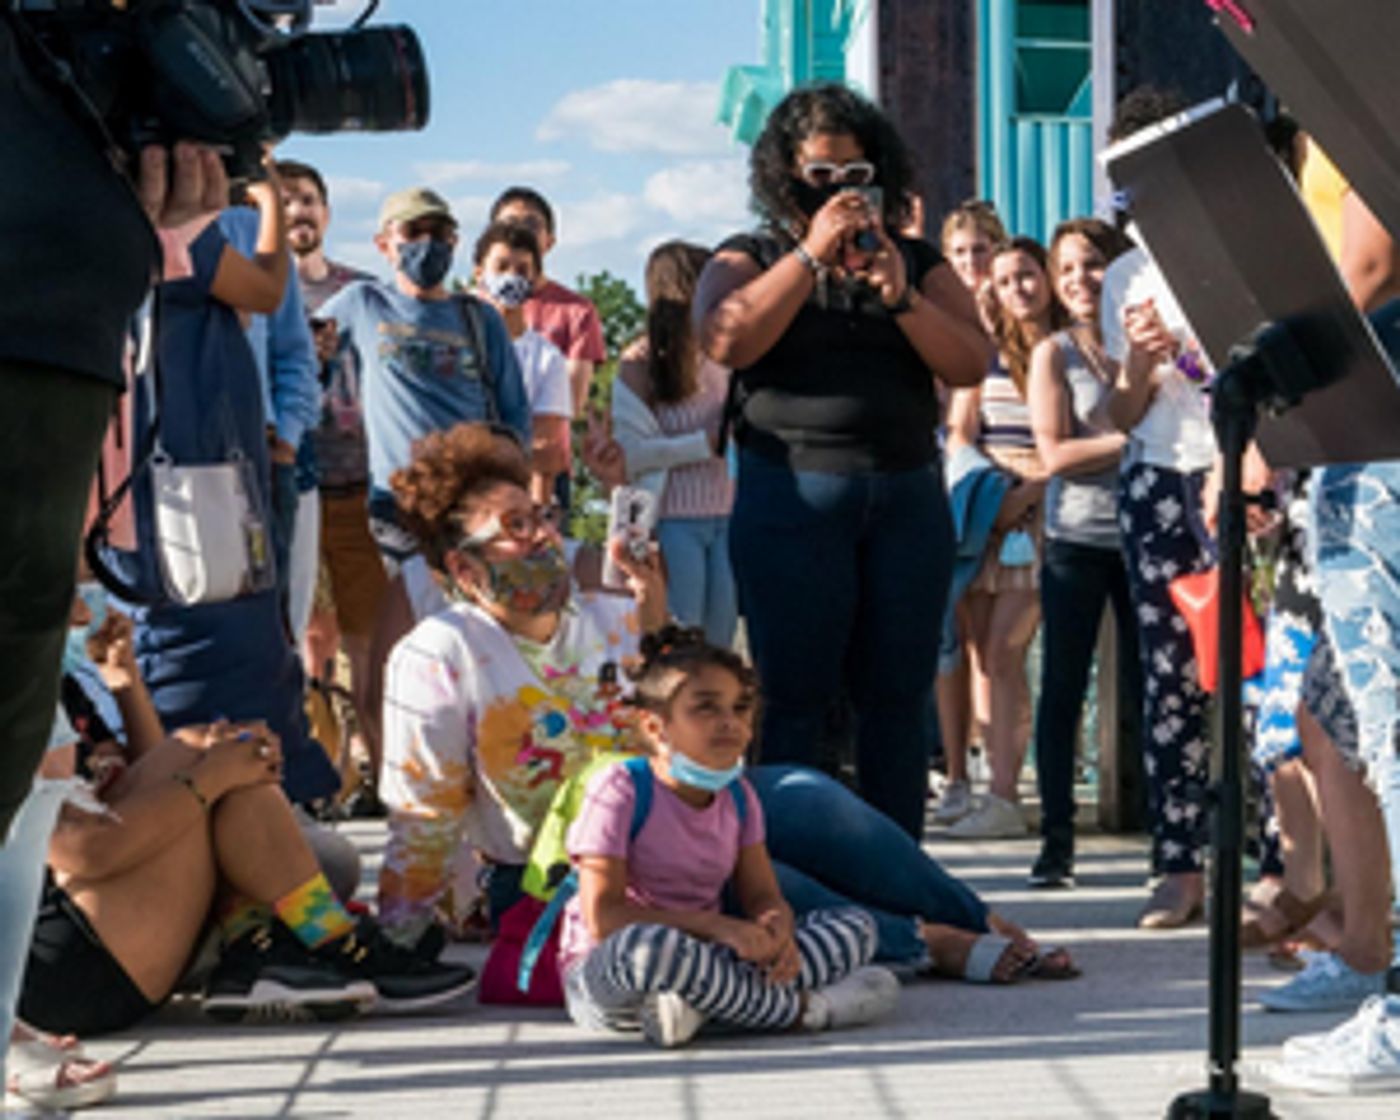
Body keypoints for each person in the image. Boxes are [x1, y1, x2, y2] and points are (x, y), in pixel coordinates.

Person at [377, 424, 1078, 987]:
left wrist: (653, 611)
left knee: (805, 793)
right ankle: (928, 944)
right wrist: (402, 939)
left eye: (542, 517)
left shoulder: (605, 614)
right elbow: (422, 814)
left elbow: (691, 714)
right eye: (515, 527)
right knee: (763, 882)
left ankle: (977, 918)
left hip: (683, 811)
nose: (543, 537)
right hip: (566, 869)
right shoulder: (439, 653)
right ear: (463, 567)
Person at [694, 83, 990, 838]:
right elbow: (726, 337)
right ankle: (790, 872)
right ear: (784, 175)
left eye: (854, 174)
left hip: (903, 497)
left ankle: (894, 873)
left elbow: (971, 361)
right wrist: (808, 255)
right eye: (819, 174)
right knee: (795, 698)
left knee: (895, 699)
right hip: (791, 498)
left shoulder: (915, 262)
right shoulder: (750, 256)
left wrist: (902, 297)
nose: (837, 190)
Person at [20, 584, 477, 1037]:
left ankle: (256, 944)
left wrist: (126, 684)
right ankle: (326, 941)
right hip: (67, 967)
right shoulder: (15, 695)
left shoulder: (59, 686)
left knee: (219, 751)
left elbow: (148, 775)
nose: (86, 608)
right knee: (216, 767)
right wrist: (212, 776)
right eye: (69, 586)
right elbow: (86, 850)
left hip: (106, 921)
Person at [561, 628, 899, 1048]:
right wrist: (717, 927)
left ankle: (702, 1009)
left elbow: (762, 895)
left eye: (741, 708)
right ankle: (806, 1011)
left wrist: (777, 931)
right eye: (706, 708)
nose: (729, 723)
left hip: (712, 959)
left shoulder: (739, 797)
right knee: (650, 949)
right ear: (655, 726)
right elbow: (604, 918)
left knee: (855, 926)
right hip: (618, 970)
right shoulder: (620, 789)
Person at [320, 186, 531, 572]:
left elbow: (514, 410)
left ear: (453, 242)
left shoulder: (479, 318)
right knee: (415, 599)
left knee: (475, 600)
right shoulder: (363, 303)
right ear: (384, 244)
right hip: (398, 501)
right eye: (413, 231)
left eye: (439, 232)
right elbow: (304, 353)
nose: (427, 242)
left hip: (472, 498)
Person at [1023, 218, 1138, 886]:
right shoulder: (1055, 353)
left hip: (1147, 537)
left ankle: (1171, 843)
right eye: (1065, 269)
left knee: (1154, 687)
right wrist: (1133, 439)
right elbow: (1055, 453)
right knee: (1064, 687)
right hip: (1078, 539)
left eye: (1091, 263)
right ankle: (1057, 842)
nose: (1079, 280)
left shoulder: (1146, 342)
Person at [941, 237, 1063, 840]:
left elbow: (1076, 437)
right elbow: (960, 431)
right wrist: (993, 496)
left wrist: (1032, 492)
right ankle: (997, 784)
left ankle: (1007, 792)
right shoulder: (984, 354)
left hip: (1044, 508)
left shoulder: (1066, 350)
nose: (1019, 289)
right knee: (985, 656)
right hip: (988, 512)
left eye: (1028, 275)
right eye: (1006, 280)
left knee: (1007, 649)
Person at [277, 157, 390, 809]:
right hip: (291, 484)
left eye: (308, 199)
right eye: (285, 200)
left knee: (367, 639)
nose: (298, 211)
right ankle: (318, 777)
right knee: (302, 640)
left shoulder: (364, 292)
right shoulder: (260, 291)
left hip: (358, 483)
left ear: (326, 210)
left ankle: (380, 773)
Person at [613, 241, 738, 647]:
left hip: (729, 513)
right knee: (681, 637)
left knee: (721, 640)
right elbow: (630, 454)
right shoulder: (640, 362)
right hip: (671, 519)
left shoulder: (727, 352)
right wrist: (705, 443)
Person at [931, 199, 1011, 827]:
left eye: (979, 250)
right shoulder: (938, 314)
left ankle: (988, 765)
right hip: (950, 480)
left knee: (991, 640)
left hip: (994, 484)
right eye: (958, 252)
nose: (970, 263)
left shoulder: (1012, 314)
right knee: (950, 636)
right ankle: (956, 767)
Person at [216, 171, 321, 636]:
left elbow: (294, 351)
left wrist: (288, 440)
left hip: (260, 457)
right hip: (166, 462)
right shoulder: (135, 221)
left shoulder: (251, 229)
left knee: (271, 626)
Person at [473, 220, 573, 504]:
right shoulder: (459, 345)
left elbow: (545, 446)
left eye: (522, 270)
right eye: (501, 267)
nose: (511, 277)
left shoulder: (547, 358)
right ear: (479, 273)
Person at [491, 186, 606, 417]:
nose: (520, 231)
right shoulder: (468, 306)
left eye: (532, 224)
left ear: (549, 241)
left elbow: (571, 402)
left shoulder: (577, 312)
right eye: (509, 223)